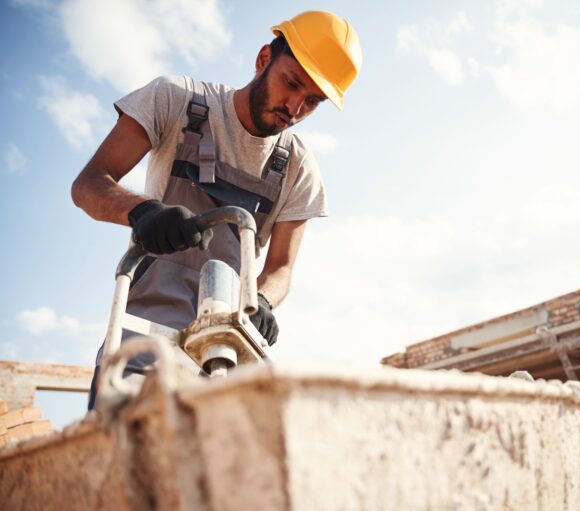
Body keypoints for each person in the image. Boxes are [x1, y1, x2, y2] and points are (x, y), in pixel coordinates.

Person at [71, 11, 362, 409]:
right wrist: (143, 212)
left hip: (224, 346)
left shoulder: (296, 167)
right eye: (291, 83)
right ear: (263, 58)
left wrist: (262, 300)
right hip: (144, 335)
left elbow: (280, 268)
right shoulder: (175, 100)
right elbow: (89, 184)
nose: (294, 108)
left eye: (313, 101)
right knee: (129, 450)